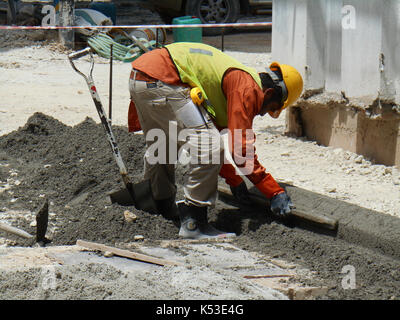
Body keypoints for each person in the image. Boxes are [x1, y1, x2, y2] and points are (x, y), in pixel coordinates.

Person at [128, 42, 303, 240]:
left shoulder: (231, 85)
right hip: (165, 79)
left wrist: (235, 180)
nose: (263, 114)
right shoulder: (247, 88)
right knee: (209, 147)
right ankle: (194, 222)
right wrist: (274, 192)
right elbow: (240, 151)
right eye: (270, 107)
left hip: (141, 77)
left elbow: (214, 136)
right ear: (270, 93)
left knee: (164, 145)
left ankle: (158, 207)